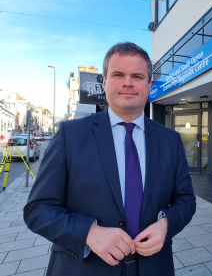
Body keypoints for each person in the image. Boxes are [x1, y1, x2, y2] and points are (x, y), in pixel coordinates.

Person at [23, 42, 196, 276]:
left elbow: (185, 199)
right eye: (118, 75)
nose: (128, 82)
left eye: (137, 76)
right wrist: (89, 233)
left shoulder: (170, 140)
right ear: (104, 82)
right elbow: (37, 209)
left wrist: (166, 224)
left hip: (155, 268)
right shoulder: (69, 135)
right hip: (83, 269)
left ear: (149, 85)